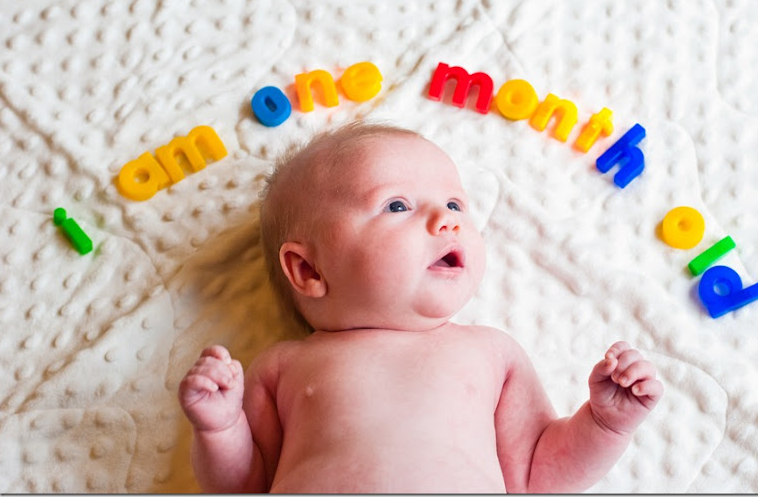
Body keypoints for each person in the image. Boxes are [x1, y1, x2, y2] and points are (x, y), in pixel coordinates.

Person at [178, 121, 663, 493]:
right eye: (397, 206)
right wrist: (220, 428)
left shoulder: (491, 354)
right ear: (309, 270)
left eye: (455, 205)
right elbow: (246, 483)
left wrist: (604, 424)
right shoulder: (283, 367)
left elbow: (537, 472)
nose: (446, 221)